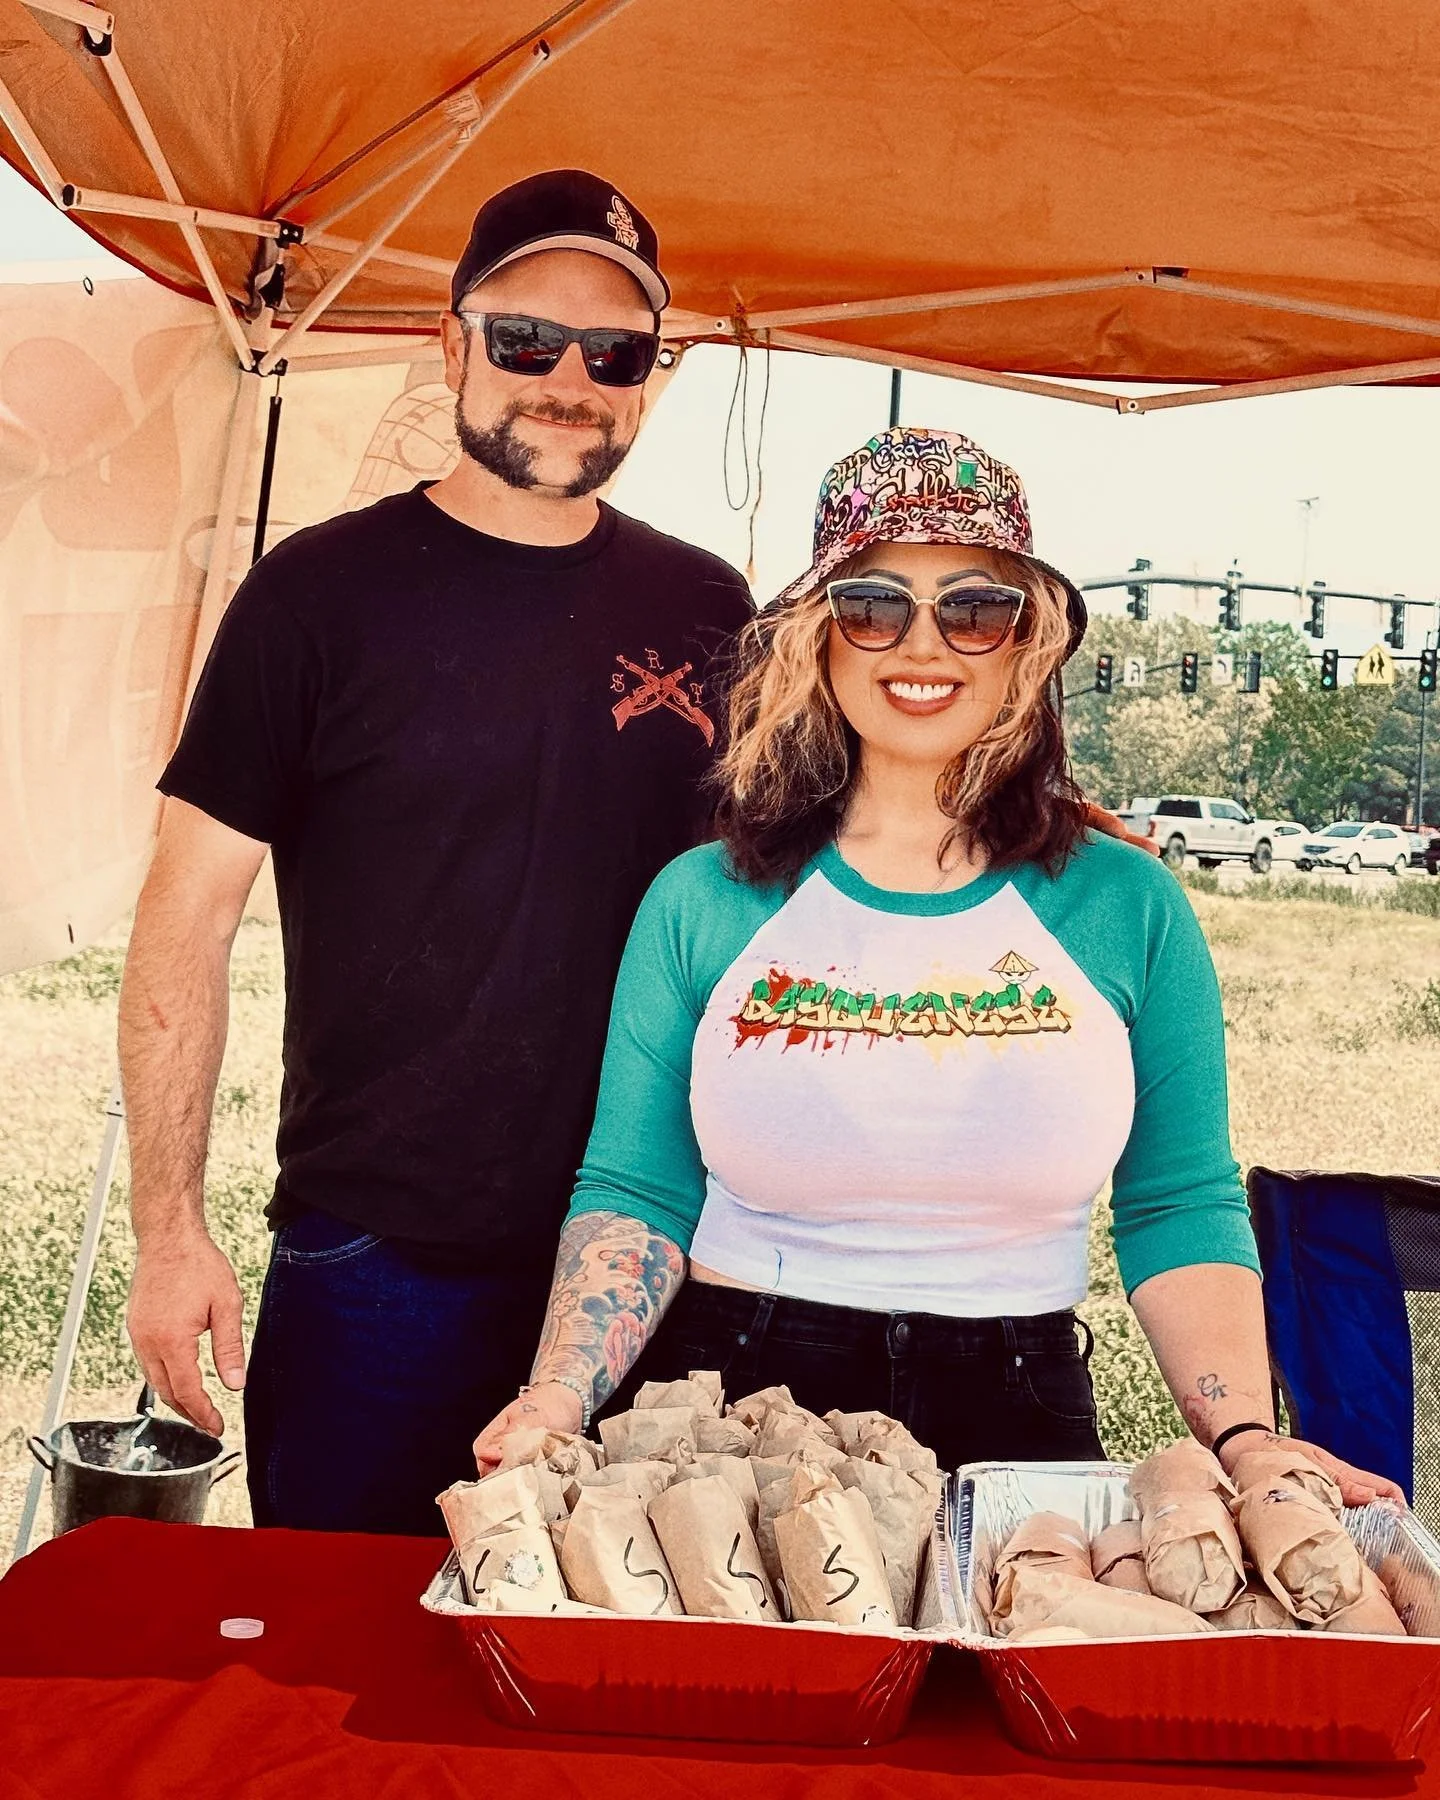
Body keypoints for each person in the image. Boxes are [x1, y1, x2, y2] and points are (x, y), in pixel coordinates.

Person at [475, 425, 1403, 1506]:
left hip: (1018, 1402)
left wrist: (1242, 1434)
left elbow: (1177, 1202)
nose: (924, 646)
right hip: (734, 1409)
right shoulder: (705, 900)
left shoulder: (1127, 905)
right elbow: (639, 1186)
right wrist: (555, 1396)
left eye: (974, 607)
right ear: (820, 641)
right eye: (874, 603)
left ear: (1025, 642)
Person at [118, 169, 753, 1534]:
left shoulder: (709, 606)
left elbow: (805, 872)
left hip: (653, 1257)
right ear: (451, 343)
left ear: (651, 375)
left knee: (616, 1696)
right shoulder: (313, 601)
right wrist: (168, 1234)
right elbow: (185, 919)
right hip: (376, 1263)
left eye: (614, 353)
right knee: (333, 1681)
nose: (567, 381)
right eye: (526, 341)